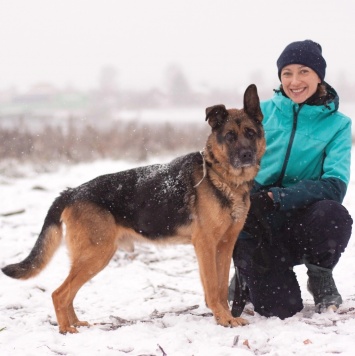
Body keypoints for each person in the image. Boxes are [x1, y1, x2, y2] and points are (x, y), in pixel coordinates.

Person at [229, 39, 353, 319]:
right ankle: (247, 272)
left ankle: (320, 277)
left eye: (304, 71)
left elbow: (334, 185)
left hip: (301, 218)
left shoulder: (339, 125)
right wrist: (251, 197)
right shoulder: (260, 114)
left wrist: (278, 197)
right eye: (287, 73)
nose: (295, 81)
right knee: (280, 309)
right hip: (256, 219)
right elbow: (230, 163)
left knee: (333, 214)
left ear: (319, 75)